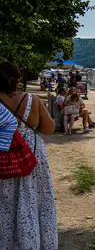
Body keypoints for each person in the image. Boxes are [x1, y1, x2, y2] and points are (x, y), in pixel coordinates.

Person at [0, 61, 58, 249]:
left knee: (5, 205)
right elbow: (49, 129)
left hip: (3, 157)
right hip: (31, 157)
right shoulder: (32, 100)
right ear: (18, 78)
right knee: (35, 201)